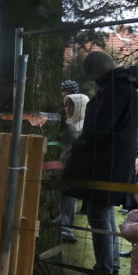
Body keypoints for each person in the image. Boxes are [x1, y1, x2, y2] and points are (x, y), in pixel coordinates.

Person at [62, 51, 138, 275]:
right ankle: (110, 270)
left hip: (105, 164)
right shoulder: (123, 86)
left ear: (95, 71)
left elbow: (100, 129)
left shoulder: (115, 89)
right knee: (104, 215)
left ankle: (104, 273)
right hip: (112, 162)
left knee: (99, 217)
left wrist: (79, 148)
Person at [58, 93, 89, 243]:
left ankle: (67, 230)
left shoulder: (86, 125)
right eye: (67, 105)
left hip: (73, 168)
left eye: (72, 105)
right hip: (62, 166)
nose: (68, 108)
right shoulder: (69, 123)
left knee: (69, 199)